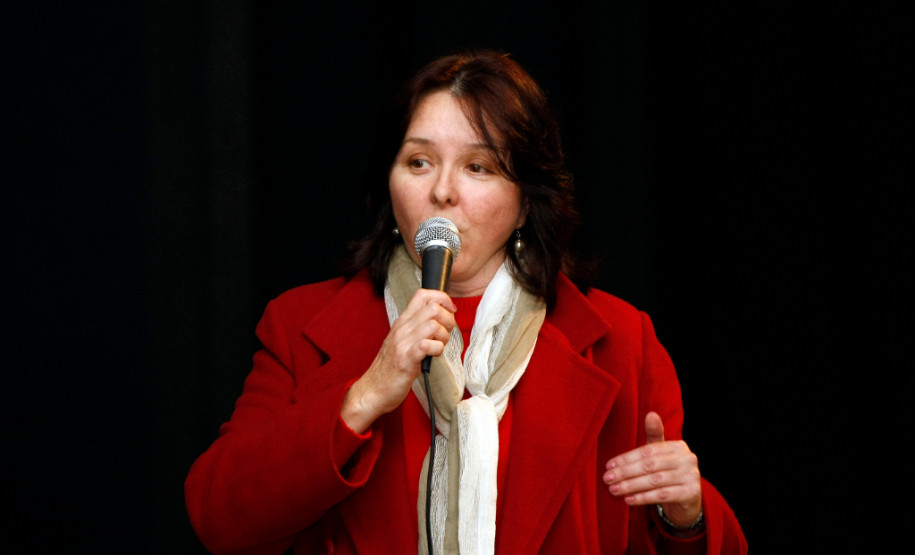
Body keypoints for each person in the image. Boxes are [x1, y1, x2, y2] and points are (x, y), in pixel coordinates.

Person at [185, 50, 747, 554]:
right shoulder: (301, 324)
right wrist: (362, 396)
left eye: (478, 167)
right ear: (390, 182)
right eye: (419, 162)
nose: (442, 190)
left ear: (526, 204)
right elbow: (219, 519)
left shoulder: (620, 341)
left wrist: (687, 520)